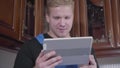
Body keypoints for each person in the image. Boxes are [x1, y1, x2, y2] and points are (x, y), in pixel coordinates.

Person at [14, 0, 99, 68]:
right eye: (57, 17)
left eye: (67, 17)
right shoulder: (29, 47)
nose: (62, 23)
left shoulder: (86, 49)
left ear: (73, 17)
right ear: (47, 17)